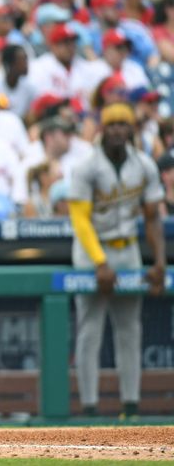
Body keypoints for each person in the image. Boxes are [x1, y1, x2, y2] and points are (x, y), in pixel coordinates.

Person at [68, 103, 166, 419]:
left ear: (131, 129)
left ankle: (131, 405)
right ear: (102, 129)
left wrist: (159, 262)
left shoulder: (145, 165)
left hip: (128, 251)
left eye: (123, 124)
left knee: (129, 328)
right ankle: (90, 407)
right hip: (92, 250)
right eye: (111, 124)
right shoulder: (86, 167)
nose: (117, 130)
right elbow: (80, 220)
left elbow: (152, 218)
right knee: (90, 329)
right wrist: (99, 263)